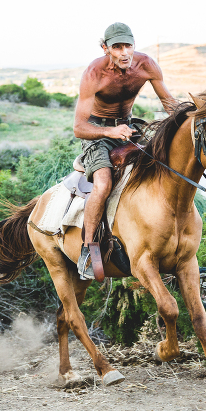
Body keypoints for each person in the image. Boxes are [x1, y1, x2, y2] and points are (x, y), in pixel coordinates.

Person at [73, 22, 175, 279]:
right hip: (98, 132)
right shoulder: (94, 73)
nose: (124, 52)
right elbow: (79, 127)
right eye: (117, 47)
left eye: (128, 45)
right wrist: (110, 132)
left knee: (165, 168)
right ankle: (88, 250)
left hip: (128, 127)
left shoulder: (147, 65)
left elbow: (170, 105)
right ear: (106, 48)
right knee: (104, 184)